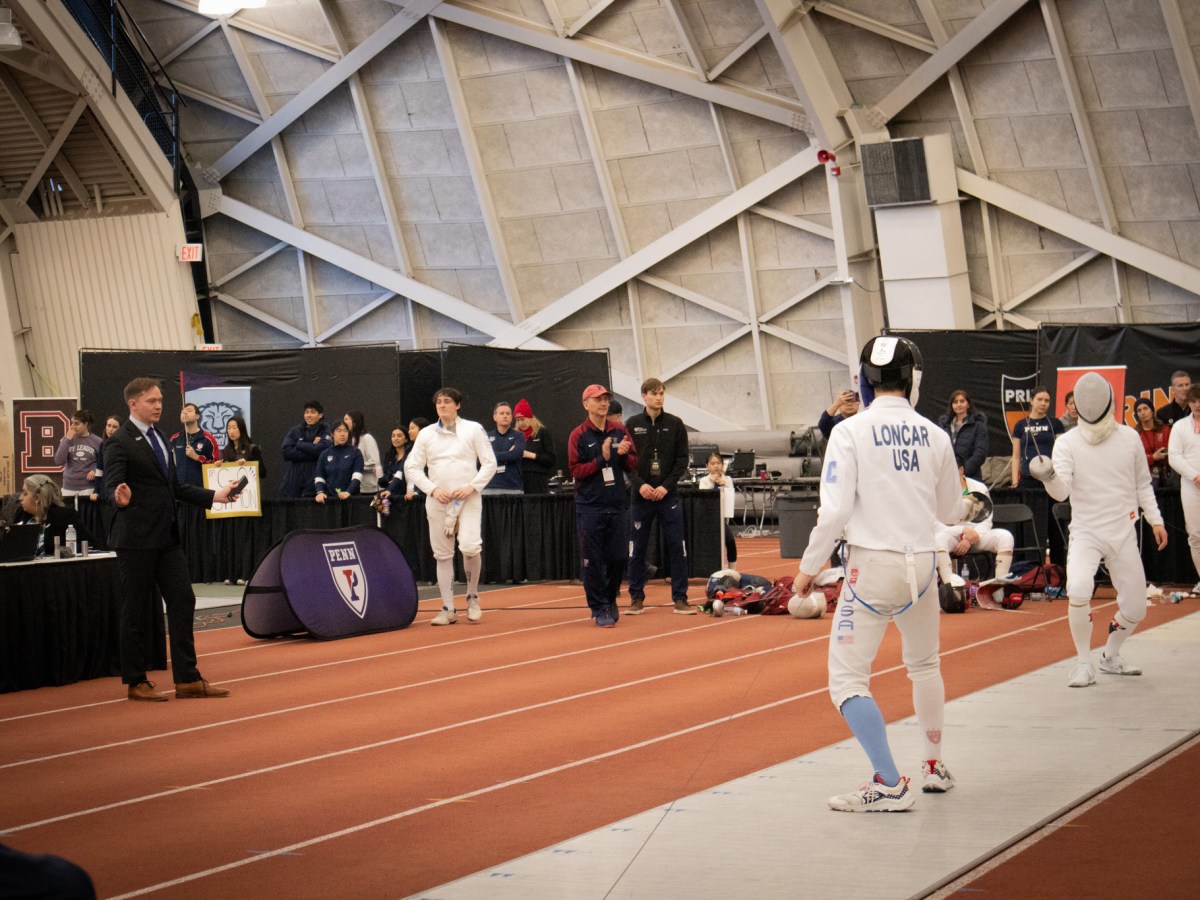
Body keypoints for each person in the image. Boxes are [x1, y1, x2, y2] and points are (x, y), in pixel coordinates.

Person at [793, 336, 970, 812]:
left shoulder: (848, 432)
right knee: (925, 666)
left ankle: (889, 782)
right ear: (912, 380)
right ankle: (933, 766)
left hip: (871, 570)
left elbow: (831, 515)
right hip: (922, 571)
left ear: (865, 382)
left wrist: (808, 570)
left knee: (847, 682)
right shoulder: (936, 435)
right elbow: (952, 509)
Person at [104, 377, 237, 702]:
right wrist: (118, 498)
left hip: (167, 538)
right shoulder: (119, 441)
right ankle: (136, 681)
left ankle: (188, 680)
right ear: (133, 404)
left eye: (160, 399)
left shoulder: (162, 437)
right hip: (135, 540)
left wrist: (215, 496)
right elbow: (111, 485)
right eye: (151, 400)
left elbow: (174, 487)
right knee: (135, 609)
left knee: (183, 600)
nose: (159, 405)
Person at [1030, 372, 1167, 687]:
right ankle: (1082, 663)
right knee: (1077, 588)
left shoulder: (1129, 437)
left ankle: (1110, 656)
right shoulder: (1067, 443)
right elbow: (1062, 492)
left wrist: (1156, 519)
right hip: (1087, 531)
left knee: (1135, 608)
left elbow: (1142, 484)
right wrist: (1049, 475)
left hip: (1123, 531)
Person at [404, 388, 497, 625]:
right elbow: (412, 467)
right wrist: (433, 489)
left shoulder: (473, 429)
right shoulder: (425, 434)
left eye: (447, 402)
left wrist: (472, 487)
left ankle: (472, 597)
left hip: (468, 498)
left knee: (469, 546)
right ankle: (447, 608)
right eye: (439, 402)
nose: (442, 405)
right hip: (438, 500)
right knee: (442, 554)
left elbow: (489, 464)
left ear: (458, 405)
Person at [569, 384, 637, 627]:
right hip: (590, 507)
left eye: (606, 399)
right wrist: (602, 459)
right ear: (586, 404)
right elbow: (576, 470)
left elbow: (632, 464)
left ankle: (610, 599)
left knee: (618, 558)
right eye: (597, 399)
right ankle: (598, 607)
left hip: (617, 505)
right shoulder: (578, 435)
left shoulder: (620, 430)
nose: (603, 403)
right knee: (592, 561)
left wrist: (623, 455)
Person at [625, 378, 694, 615]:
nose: (658, 397)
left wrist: (666, 486)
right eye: (654, 393)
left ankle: (680, 598)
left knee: (678, 547)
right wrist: (639, 484)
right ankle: (636, 597)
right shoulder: (632, 424)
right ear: (643, 396)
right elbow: (627, 461)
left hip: (669, 496)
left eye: (661, 393)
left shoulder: (675, 424)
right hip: (641, 496)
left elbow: (682, 460)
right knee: (637, 549)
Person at [935, 454, 1014, 583]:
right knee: (938, 539)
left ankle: (1000, 585)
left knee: (1005, 536)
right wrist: (962, 532)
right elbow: (935, 523)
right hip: (952, 535)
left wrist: (970, 538)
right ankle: (950, 585)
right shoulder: (938, 490)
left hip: (976, 536)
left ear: (961, 470)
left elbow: (986, 519)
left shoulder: (979, 488)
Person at [1011, 386, 1064, 553]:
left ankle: (1058, 566)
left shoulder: (1055, 424)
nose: (1043, 403)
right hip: (1028, 480)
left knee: (1054, 523)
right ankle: (1031, 564)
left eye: (1047, 400)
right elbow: (1016, 456)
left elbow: (1062, 453)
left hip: (1050, 480)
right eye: (1039, 400)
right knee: (1030, 524)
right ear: (1032, 401)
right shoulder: (1020, 426)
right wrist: (1014, 481)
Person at [1167, 384, 1200, 593]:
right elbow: (1174, 457)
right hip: (1191, 486)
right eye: (1194, 402)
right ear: (1189, 403)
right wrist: (1194, 475)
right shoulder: (1180, 427)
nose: (1198, 405)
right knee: (1196, 534)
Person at [16, 474, 95, 555]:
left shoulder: (64, 516)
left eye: (25, 494)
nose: (20, 498)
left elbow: (89, 544)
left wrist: (66, 552)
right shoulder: (21, 515)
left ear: (37, 498)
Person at [281, 401, 332, 498]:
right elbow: (286, 452)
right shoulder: (295, 430)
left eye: (312, 412)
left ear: (320, 415)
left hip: (315, 477)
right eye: (306, 412)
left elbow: (321, 450)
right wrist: (311, 447)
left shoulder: (326, 430)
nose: (309, 415)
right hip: (294, 479)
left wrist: (299, 444)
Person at [54, 410, 103, 502]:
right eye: (72, 423)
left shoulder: (98, 441)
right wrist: (67, 439)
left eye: (76, 424)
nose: (73, 427)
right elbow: (58, 461)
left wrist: (95, 470)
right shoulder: (66, 440)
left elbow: (103, 463)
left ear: (85, 424)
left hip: (88, 487)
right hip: (68, 487)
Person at [938, 390, 988, 480]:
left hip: (970, 478)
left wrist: (962, 472)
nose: (959, 404)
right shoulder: (944, 426)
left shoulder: (978, 425)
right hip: (947, 477)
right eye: (955, 402)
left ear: (968, 404)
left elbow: (980, 453)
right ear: (951, 405)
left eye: (962, 401)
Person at [699, 452, 737, 564]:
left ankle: (732, 569)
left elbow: (731, 494)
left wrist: (724, 484)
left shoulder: (728, 479)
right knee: (713, 545)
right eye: (712, 463)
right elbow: (702, 496)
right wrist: (711, 483)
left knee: (730, 541)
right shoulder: (704, 480)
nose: (716, 466)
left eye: (719, 463)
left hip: (722, 517)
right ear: (707, 466)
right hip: (709, 517)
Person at [169, 402, 219, 487]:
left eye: (189, 410)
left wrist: (197, 457)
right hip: (180, 490)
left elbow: (216, 466)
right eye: (182, 411)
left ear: (197, 416)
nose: (184, 413)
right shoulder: (175, 439)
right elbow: (169, 465)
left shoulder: (208, 439)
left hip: (201, 489)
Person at [514, 399, 556, 495]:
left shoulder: (542, 433)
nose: (521, 423)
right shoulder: (515, 435)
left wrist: (531, 455)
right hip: (519, 479)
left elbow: (551, 459)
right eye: (518, 420)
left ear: (530, 417)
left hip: (538, 479)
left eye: (523, 419)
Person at [314, 421, 364, 502]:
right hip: (330, 500)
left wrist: (348, 492)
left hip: (351, 499)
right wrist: (320, 492)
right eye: (339, 431)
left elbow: (358, 476)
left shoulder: (355, 452)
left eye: (345, 431)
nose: (342, 434)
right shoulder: (324, 454)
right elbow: (319, 477)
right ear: (332, 434)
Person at [484, 402, 526, 494]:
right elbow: (481, 458)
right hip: (489, 486)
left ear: (511, 417)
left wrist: (491, 455)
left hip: (513, 487)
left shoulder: (519, 436)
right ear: (494, 417)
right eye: (501, 413)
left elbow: (515, 455)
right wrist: (507, 453)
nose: (505, 416)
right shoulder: (485, 436)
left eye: (508, 414)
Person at [1133, 398, 1170, 485]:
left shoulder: (1165, 430)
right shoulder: (1134, 434)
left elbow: (1173, 452)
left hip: (1166, 476)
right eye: (1139, 410)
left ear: (1152, 411)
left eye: (1145, 408)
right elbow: (1133, 459)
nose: (1142, 413)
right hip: (1144, 478)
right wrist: (1152, 457)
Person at [344, 410, 382, 494]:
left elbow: (375, 464)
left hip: (369, 487)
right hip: (354, 487)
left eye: (346, 419)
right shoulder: (349, 440)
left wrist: (355, 467)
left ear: (355, 421)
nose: (343, 422)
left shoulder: (367, 438)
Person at [220, 415, 266, 479]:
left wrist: (247, 464)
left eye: (234, 428)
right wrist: (218, 466)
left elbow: (263, 473)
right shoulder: (226, 450)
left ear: (241, 429)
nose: (231, 431)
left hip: (248, 487)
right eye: (229, 428)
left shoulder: (252, 449)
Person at [379, 425, 417, 501]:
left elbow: (402, 474)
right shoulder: (388, 455)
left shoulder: (410, 454)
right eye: (393, 436)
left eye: (399, 436)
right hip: (390, 492)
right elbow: (386, 474)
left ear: (406, 439)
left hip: (404, 493)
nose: (395, 438)